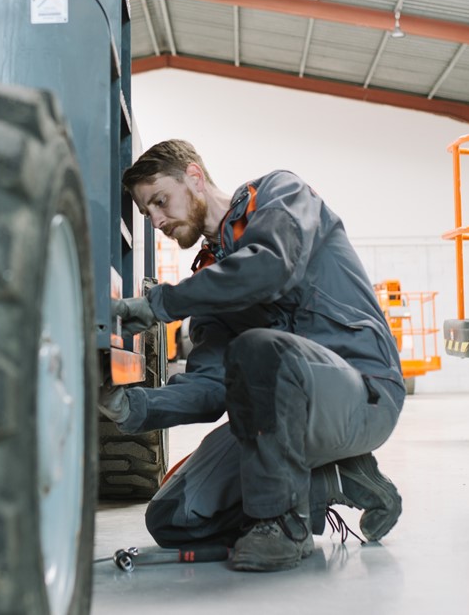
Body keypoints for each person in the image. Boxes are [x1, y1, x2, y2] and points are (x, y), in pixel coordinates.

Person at [101, 139, 405, 572]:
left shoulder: (279, 196)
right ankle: (329, 480)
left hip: (362, 392)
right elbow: (209, 388)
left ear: (194, 177)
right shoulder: (208, 279)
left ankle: (281, 525)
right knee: (175, 518)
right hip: (280, 411)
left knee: (259, 349)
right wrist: (131, 406)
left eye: (160, 201)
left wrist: (159, 305)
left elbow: (269, 269)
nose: (156, 220)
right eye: (148, 212)